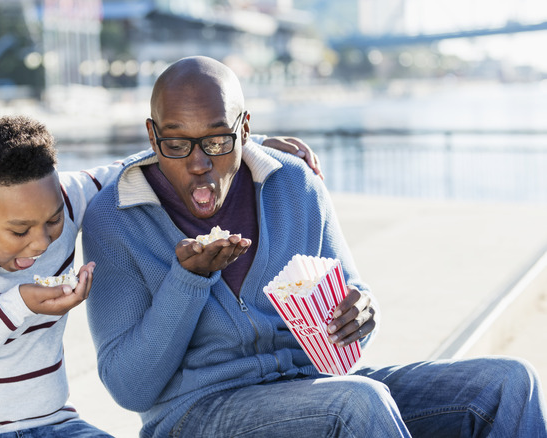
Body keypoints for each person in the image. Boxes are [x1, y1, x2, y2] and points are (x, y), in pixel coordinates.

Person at [81, 56, 547, 438]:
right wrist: (189, 280)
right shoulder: (116, 218)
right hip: (197, 414)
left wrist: (363, 312)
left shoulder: (293, 186)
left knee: (508, 383)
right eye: (177, 143)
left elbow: (351, 301)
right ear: (152, 135)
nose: (198, 163)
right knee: (356, 404)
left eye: (217, 140)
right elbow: (130, 389)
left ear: (245, 129)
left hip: (315, 390)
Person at [0, 115, 320, 437]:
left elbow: (147, 162)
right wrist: (15, 305)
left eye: (51, 223)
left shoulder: (69, 198)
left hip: (52, 425)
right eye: (18, 231)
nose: (41, 242)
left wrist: (248, 142)